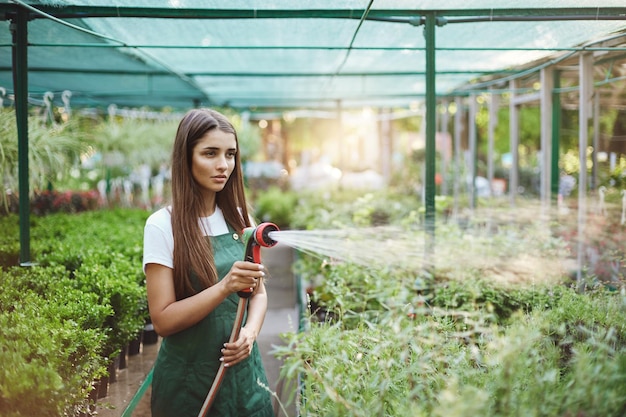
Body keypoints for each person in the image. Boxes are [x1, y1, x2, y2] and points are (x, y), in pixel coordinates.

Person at [142, 108, 274, 417]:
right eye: (210, 153)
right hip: (188, 386)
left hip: (244, 380)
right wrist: (225, 286)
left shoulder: (241, 220)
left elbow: (260, 294)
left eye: (230, 155)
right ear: (186, 158)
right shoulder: (162, 226)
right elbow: (162, 320)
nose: (223, 165)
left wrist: (249, 334)